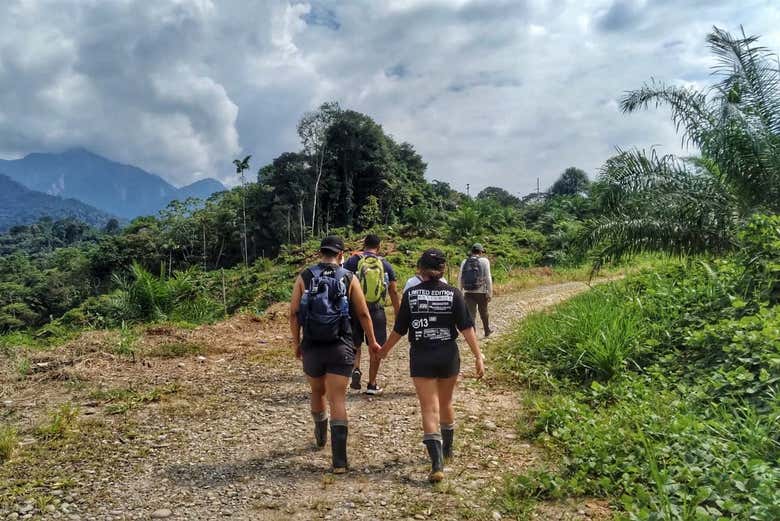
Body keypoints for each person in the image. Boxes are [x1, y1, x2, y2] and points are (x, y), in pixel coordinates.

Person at [380, 248, 485, 483]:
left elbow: (400, 329)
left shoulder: (411, 294)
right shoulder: (453, 293)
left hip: (422, 356)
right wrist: (478, 355)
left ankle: (437, 464)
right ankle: (447, 451)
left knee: (429, 408)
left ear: (420, 268)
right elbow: (466, 327)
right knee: (446, 402)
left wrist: (383, 351)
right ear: (442, 270)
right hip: (448, 354)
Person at [289, 235, 381, 473]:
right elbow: (362, 314)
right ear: (341, 255)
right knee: (337, 399)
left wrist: (296, 343)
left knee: (317, 391)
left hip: (312, 344)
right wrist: (372, 341)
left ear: (320, 253)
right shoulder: (349, 277)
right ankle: (339, 461)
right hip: (341, 344)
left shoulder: (305, 276)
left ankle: (320, 435)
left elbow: (293, 313)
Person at [343, 234, 400, 395]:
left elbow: (342, 283)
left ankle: (355, 368)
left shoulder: (352, 261)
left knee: (355, 342)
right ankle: (372, 383)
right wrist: (397, 312)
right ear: (379, 247)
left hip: (354, 309)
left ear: (364, 245)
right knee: (375, 346)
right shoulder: (385, 264)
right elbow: (393, 290)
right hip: (376, 310)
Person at [459, 243, 493, 337]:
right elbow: (488, 278)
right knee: (484, 312)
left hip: (468, 292)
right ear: (481, 251)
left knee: (470, 314)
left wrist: (460, 292)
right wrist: (490, 293)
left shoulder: (464, 261)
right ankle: (487, 331)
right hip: (481, 292)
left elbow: (460, 278)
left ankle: (472, 335)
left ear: (471, 251)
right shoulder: (485, 261)